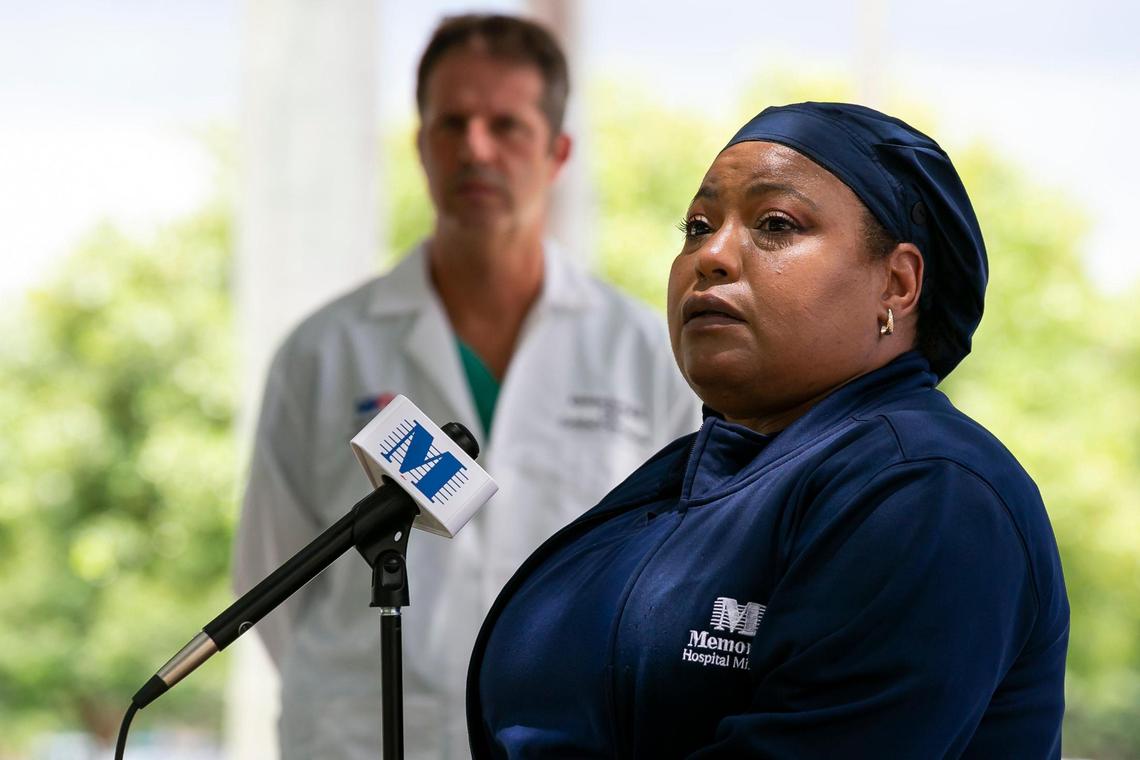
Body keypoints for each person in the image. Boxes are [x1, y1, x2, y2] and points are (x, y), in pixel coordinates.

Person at [468, 102, 1070, 758]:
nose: (712, 256)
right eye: (697, 226)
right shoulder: (682, 484)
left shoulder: (929, 489)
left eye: (776, 223)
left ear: (897, 285)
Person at [233, 14, 699, 760]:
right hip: (362, 737)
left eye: (506, 125)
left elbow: (679, 572)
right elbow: (271, 570)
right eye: (451, 123)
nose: (475, 148)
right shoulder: (326, 350)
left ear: (558, 152)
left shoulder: (643, 350)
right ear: (421, 146)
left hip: (571, 738)